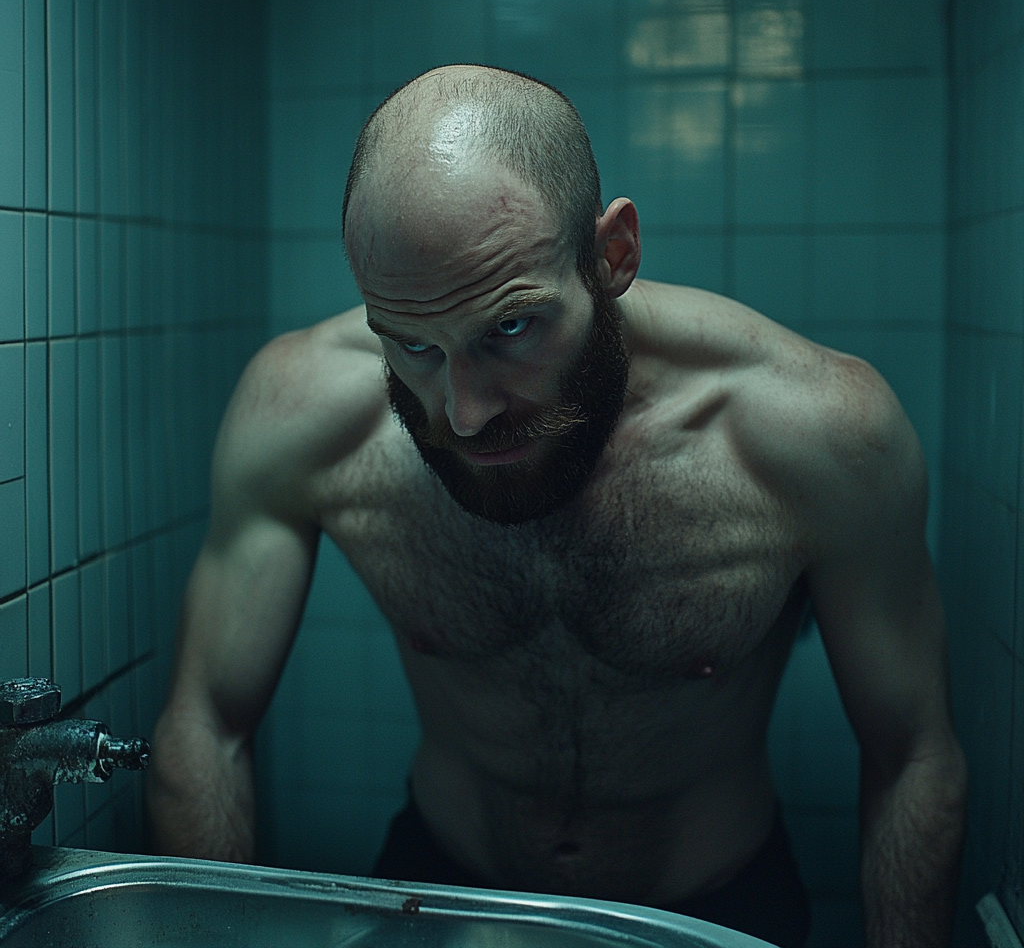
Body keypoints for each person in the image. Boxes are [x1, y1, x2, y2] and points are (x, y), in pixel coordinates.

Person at [148, 64, 967, 948]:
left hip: (708, 907)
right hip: (442, 893)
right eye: (413, 345)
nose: (463, 413)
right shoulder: (302, 414)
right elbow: (207, 723)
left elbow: (913, 755)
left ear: (611, 256)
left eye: (510, 330)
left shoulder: (818, 433)